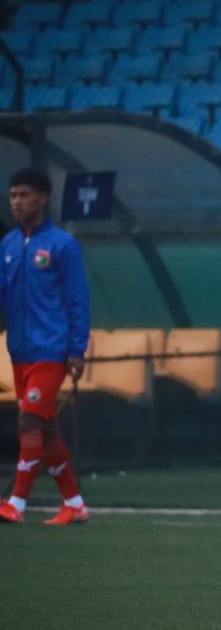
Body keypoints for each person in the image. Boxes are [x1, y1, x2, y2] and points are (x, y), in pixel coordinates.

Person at [0, 168, 90, 525]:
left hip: (51, 352)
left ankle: (16, 503)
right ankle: (75, 503)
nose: (17, 202)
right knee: (46, 429)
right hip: (19, 352)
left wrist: (77, 349)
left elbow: (77, 300)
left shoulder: (62, 245)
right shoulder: (8, 245)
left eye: (24, 195)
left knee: (28, 420)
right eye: (12, 195)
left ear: (43, 198)